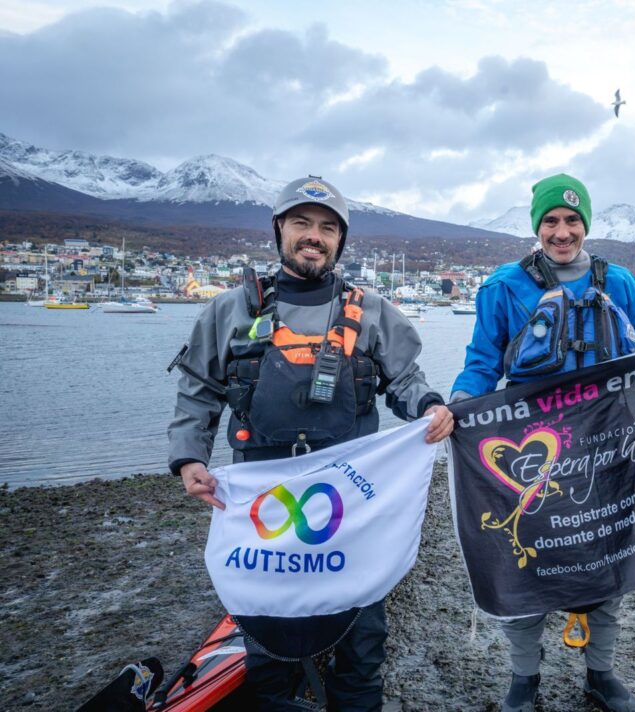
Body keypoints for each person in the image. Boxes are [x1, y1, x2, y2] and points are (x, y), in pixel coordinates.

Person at [167, 175, 454, 711]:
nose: (313, 236)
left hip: (350, 505)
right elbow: (198, 391)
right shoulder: (230, 310)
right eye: (301, 223)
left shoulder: (373, 313)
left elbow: (407, 382)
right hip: (263, 504)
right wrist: (188, 460)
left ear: (340, 241)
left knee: (363, 641)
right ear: (279, 230)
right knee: (268, 640)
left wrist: (430, 407)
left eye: (327, 228)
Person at [452, 174, 635, 712]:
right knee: (526, 563)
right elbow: (482, 365)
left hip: (609, 449)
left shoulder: (619, 283)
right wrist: (457, 408)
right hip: (531, 452)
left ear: (586, 224)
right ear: (537, 226)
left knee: (609, 560)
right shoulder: (502, 287)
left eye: (572, 221)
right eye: (551, 222)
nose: (562, 232)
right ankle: (524, 679)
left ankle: (600, 675)